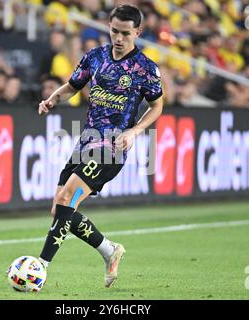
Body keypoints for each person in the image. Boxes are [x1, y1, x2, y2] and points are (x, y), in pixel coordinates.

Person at [36, 4, 163, 288]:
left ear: (138, 32)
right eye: (114, 31)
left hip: (113, 148)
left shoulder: (145, 68)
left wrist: (135, 131)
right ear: (109, 27)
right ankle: (109, 249)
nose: (118, 38)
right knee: (59, 209)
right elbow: (72, 86)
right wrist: (52, 99)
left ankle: (40, 267)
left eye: (125, 33)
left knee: (67, 197)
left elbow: (157, 107)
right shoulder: (95, 57)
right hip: (87, 141)